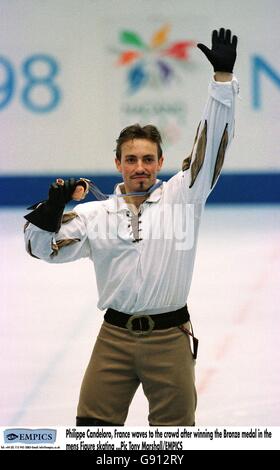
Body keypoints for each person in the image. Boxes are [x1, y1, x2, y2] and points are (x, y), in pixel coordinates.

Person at [24, 28, 238, 426]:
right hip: (115, 339)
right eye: (130, 159)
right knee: (92, 433)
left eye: (147, 159)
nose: (139, 167)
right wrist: (53, 208)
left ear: (159, 163)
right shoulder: (95, 215)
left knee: (174, 442)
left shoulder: (183, 197)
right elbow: (40, 248)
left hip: (170, 338)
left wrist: (222, 82)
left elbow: (211, 147)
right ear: (118, 164)